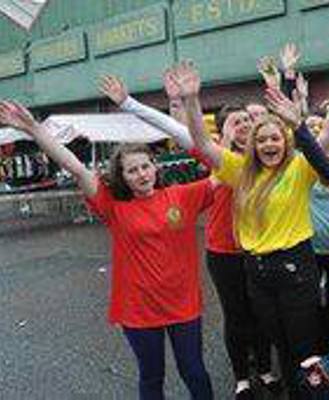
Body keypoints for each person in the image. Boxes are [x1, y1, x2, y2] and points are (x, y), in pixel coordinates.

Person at [0, 100, 215, 400]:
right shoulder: (113, 205)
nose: (141, 174)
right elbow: (73, 165)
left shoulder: (183, 195)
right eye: (132, 170)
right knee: (152, 377)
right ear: (122, 176)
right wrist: (34, 129)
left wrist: (191, 103)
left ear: (155, 166)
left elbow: (224, 168)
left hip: (183, 304)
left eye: (145, 166)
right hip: (138, 310)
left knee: (193, 371)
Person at [98, 74, 281, 399]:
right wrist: (162, 103)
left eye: (249, 121)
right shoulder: (223, 161)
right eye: (236, 121)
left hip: (261, 250)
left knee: (262, 314)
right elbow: (187, 135)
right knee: (236, 318)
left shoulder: (270, 158)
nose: (245, 126)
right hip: (224, 250)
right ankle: (241, 379)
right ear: (224, 129)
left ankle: (266, 370)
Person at [175, 60, 329, 400]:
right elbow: (202, 143)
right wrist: (191, 100)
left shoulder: (298, 167)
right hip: (257, 271)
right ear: (253, 145)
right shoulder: (239, 171)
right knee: (281, 347)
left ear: (285, 141)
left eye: (275, 138)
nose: (268, 144)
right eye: (261, 140)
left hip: (295, 267)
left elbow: (328, 138)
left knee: (304, 349)